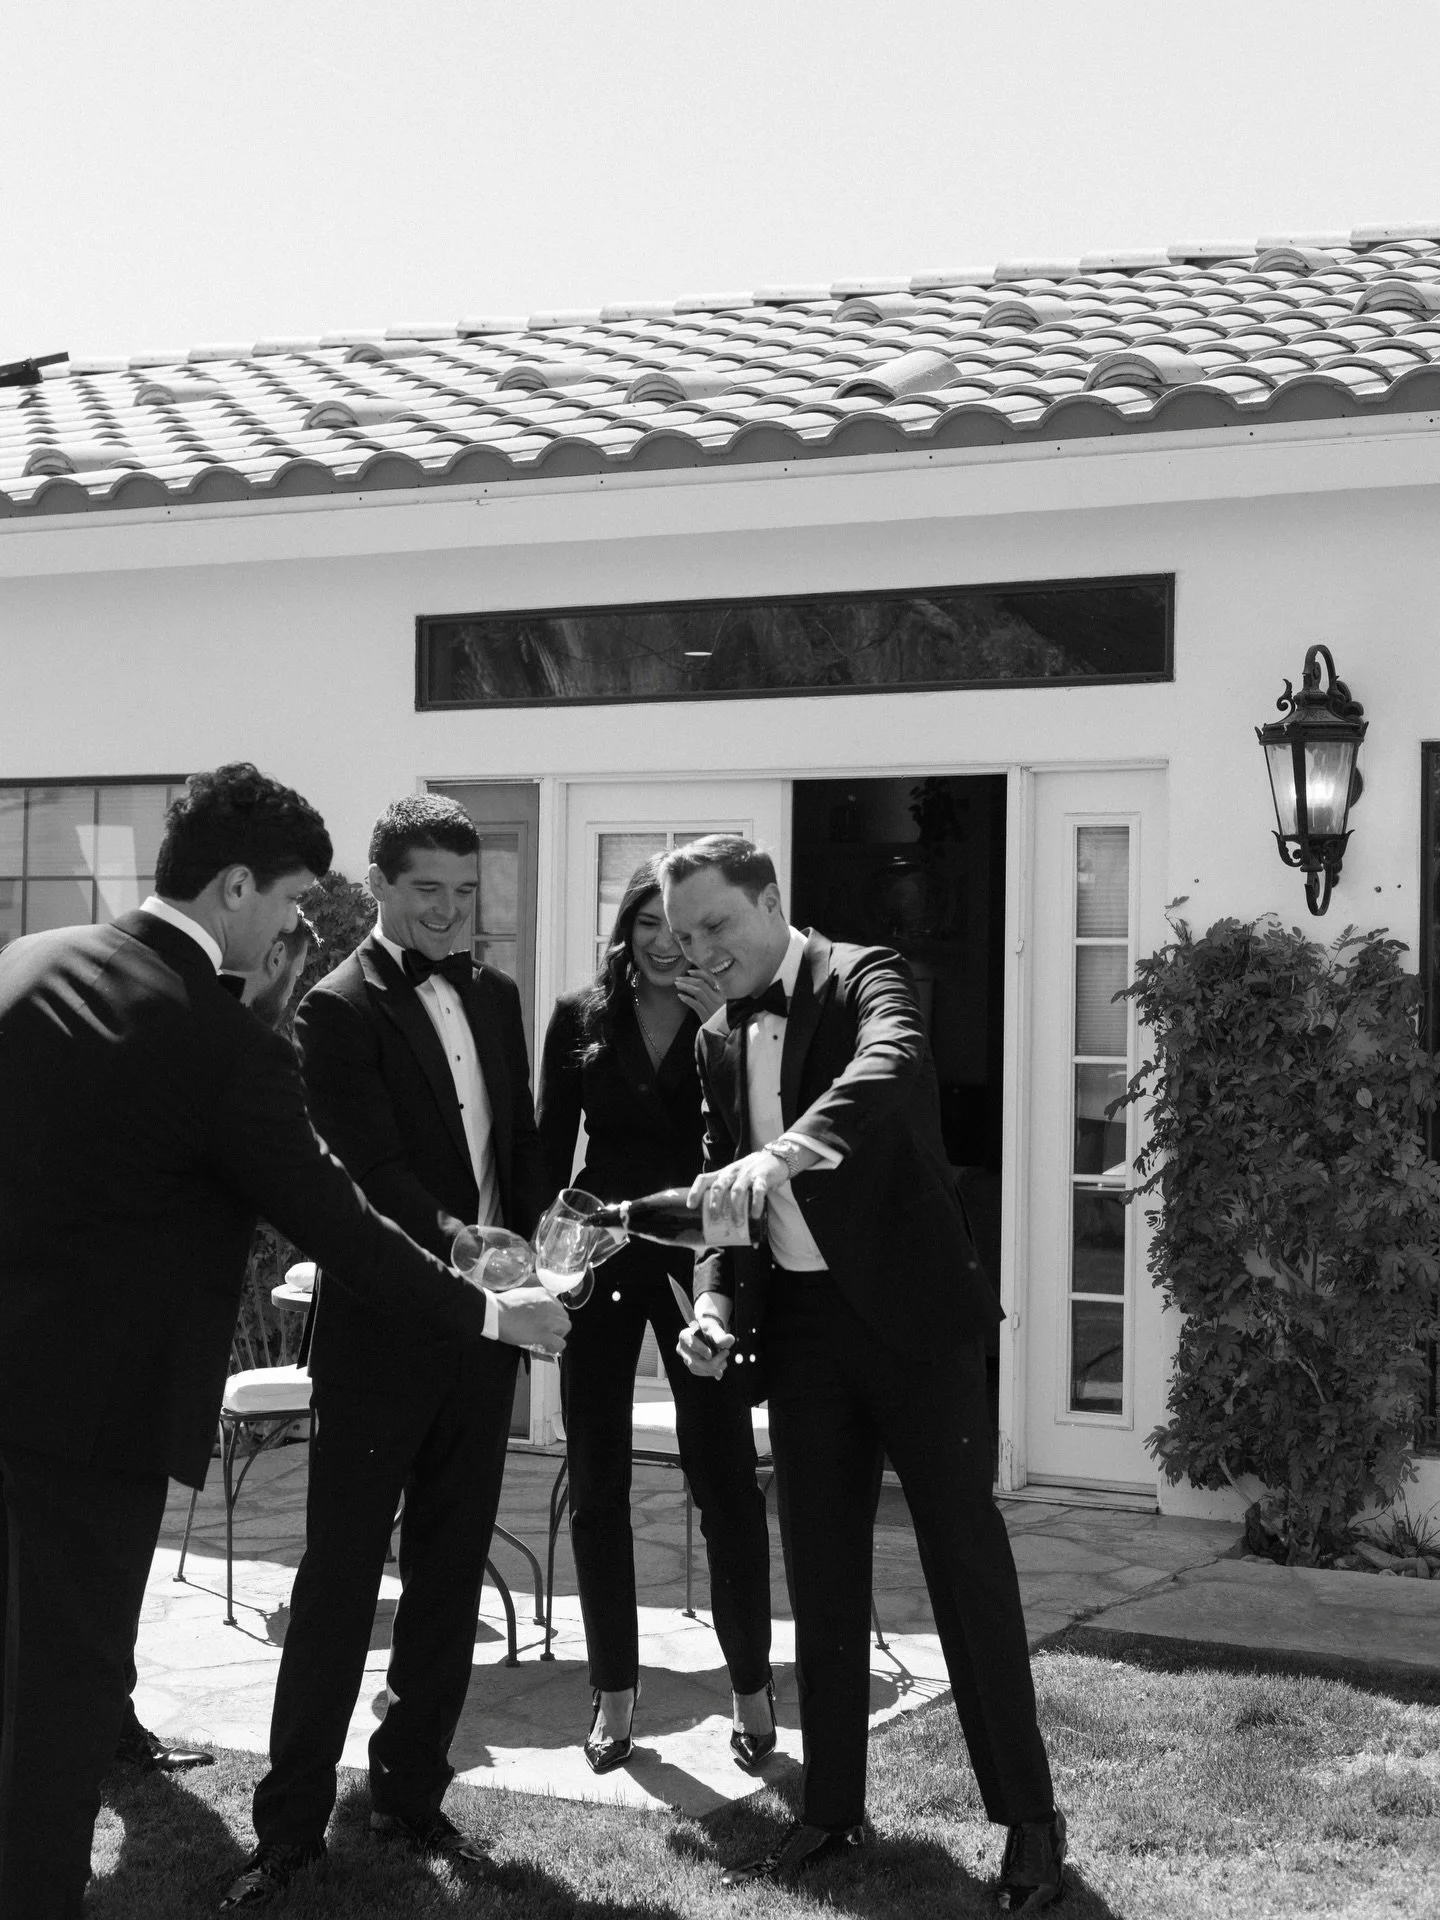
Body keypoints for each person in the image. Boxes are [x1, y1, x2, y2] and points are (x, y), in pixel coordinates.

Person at [0, 764, 568, 1920]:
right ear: (235, 884)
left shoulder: (32, 959)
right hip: (89, 1415)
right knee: (57, 1701)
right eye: (291, 897)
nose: (298, 924)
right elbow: (338, 1220)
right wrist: (489, 1310)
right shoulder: (233, 1042)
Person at [661, 835, 1065, 1910]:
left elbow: (886, 1067)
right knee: (823, 1573)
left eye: (718, 926)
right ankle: (832, 1810)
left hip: (917, 1325)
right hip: (799, 1331)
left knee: (963, 1565)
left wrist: (784, 1150)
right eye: (685, 934)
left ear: (770, 900)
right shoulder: (713, 1040)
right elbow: (717, 1198)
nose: (702, 951)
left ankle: (1030, 1823)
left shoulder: (863, 973)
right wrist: (709, 1301)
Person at [236, 795, 556, 1909]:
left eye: (467, 896)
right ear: (380, 885)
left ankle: (412, 1795)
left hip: (485, 1339)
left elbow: (513, 1151)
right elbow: (367, 1175)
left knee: (450, 1572)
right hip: (383, 1333)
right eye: (429, 891)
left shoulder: (500, 995)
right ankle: (289, 1827)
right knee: (338, 1580)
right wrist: (469, 1249)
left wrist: (552, 1241)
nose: (450, 913)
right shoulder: (336, 1009)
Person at [536, 855, 774, 1773]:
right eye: (650, 926)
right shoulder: (578, 1020)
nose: (669, 944)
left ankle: (751, 1691)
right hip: (598, 1259)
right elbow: (549, 1156)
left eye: (684, 930)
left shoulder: (733, 1019)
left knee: (723, 1480)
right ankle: (614, 1694)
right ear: (626, 932)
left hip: (696, 1257)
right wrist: (540, 1271)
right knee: (598, 1486)